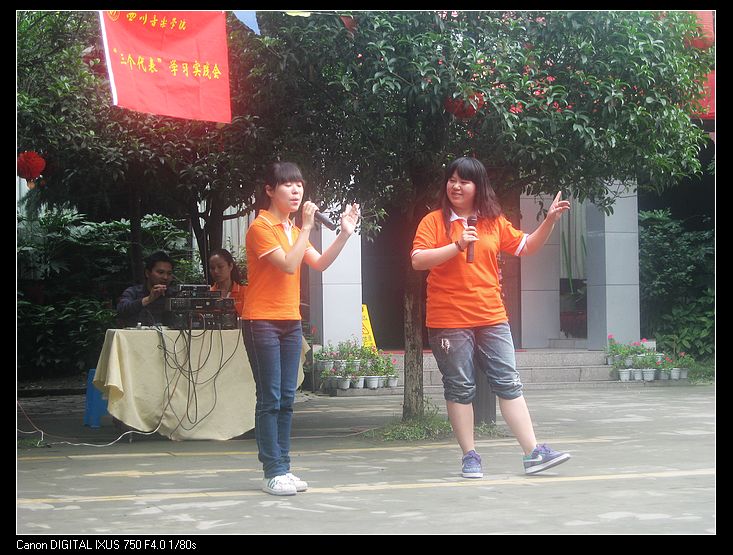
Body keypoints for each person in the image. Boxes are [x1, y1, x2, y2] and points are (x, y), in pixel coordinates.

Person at [411, 157, 571, 478]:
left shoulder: (492, 221)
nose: (456, 186)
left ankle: (533, 453)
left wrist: (549, 221)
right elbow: (418, 260)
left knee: (508, 382)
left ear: (478, 187)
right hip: (449, 319)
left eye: (464, 181)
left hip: (491, 316)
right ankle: (470, 456)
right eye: (452, 180)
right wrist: (456, 245)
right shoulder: (433, 221)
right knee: (460, 387)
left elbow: (526, 246)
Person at [243, 161, 360, 496]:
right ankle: (273, 471)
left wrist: (345, 233)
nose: (296, 191)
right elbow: (289, 265)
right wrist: (307, 226)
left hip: (290, 322)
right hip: (261, 321)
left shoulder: (295, 231)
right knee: (270, 398)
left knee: (287, 397)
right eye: (288, 185)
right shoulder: (261, 227)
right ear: (270, 190)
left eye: (299, 184)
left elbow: (320, 263)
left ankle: (284, 466)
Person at [116, 250, 174, 327]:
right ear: (147, 273)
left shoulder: (174, 295)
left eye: (169, 273)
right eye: (160, 272)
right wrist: (148, 299)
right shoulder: (134, 292)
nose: (165, 277)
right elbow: (121, 310)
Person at [208, 248, 247, 318]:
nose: (216, 271)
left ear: (230, 266)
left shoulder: (245, 292)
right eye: (212, 268)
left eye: (220, 267)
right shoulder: (208, 294)